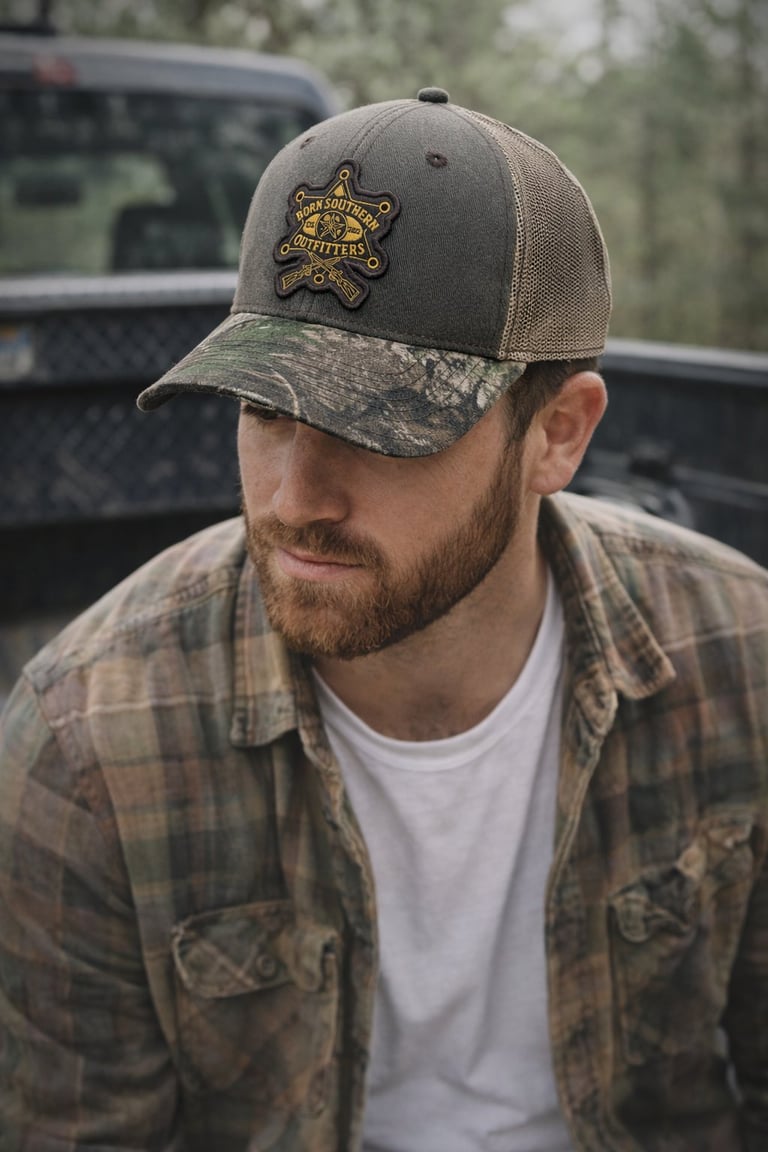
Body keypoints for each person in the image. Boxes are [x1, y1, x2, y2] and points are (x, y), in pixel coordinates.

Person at [0, 87, 766, 1152]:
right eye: (265, 409)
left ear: (557, 433)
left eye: (381, 426)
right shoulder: (90, 746)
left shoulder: (741, 663)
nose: (293, 499)